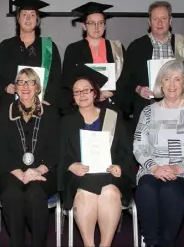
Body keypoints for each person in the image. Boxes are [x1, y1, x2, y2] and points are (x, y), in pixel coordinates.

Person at [59, 65, 135, 247]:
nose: (82, 95)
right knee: (85, 193)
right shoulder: (66, 121)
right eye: (77, 92)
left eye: (86, 90)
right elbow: (59, 153)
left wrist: (120, 167)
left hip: (110, 174)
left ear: (95, 93)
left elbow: (126, 150)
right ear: (73, 97)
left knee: (109, 192)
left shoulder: (112, 116)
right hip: (80, 175)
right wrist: (71, 165)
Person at [133, 60, 184, 247]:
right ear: (160, 84)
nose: (172, 84)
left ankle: (166, 244)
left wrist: (178, 167)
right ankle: (151, 242)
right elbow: (139, 146)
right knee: (145, 188)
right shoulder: (148, 112)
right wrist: (154, 167)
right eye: (167, 79)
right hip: (153, 169)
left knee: (170, 191)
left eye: (177, 79)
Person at [0, 68, 60, 247]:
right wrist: (18, 172)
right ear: (14, 88)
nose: (25, 86)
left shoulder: (51, 113)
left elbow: (56, 150)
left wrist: (38, 170)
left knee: (35, 194)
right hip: (10, 170)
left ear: (38, 87)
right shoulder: (3, 113)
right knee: (12, 194)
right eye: (20, 82)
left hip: (44, 170)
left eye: (30, 82)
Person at [117, 1, 184, 134]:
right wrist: (138, 89)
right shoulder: (137, 46)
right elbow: (126, 79)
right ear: (149, 22)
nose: (160, 23)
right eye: (155, 19)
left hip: (177, 111)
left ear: (170, 21)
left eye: (164, 19)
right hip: (148, 109)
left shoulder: (180, 44)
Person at [0, 0, 62, 112]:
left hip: (42, 106)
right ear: (18, 19)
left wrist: (47, 100)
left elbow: (56, 80)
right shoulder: (5, 46)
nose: (28, 19)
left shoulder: (49, 47)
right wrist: (6, 87)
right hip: (11, 107)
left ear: (37, 20)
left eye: (32, 15)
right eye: (24, 14)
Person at [62, 2, 125, 113]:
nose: (97, 27)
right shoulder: (73, 49)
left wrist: (111, 92)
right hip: (83, 105)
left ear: (105, 25)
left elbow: (126, 76)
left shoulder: (117, 48)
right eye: (91, 23)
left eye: (101, 23)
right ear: (84, 26)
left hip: (112, 104)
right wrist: (91, 94)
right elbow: (67, 79)